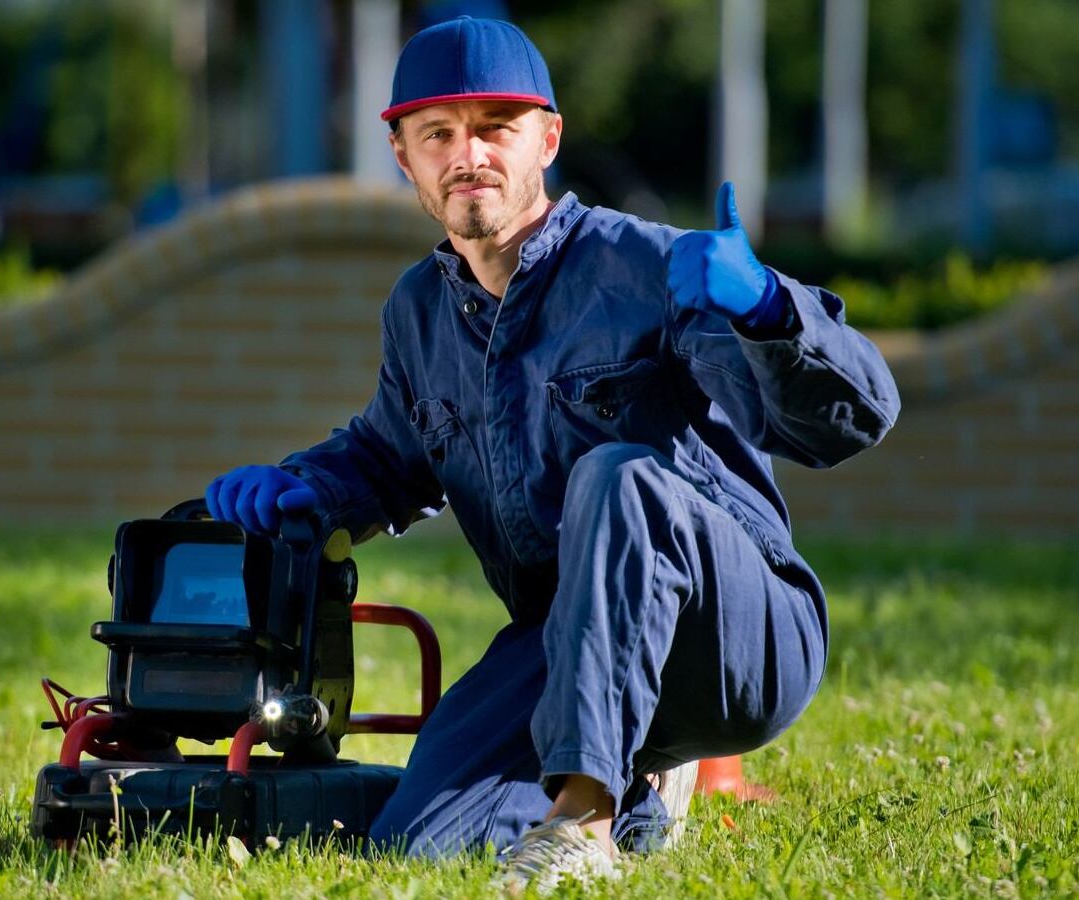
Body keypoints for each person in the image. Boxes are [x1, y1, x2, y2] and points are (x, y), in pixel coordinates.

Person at [203, 16, 900, 891]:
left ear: (547, 139)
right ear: (402, 154)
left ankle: (583, 820)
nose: (470, 155)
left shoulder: (646, 268)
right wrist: (306, 487)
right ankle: (641, 791)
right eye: (439, 134)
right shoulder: (420, 313)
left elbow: (851, 417)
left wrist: (765, 306)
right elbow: (390, 458)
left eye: (496, 126)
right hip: (567, 646)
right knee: (416, 846)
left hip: (737, 633)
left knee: (615, 476)